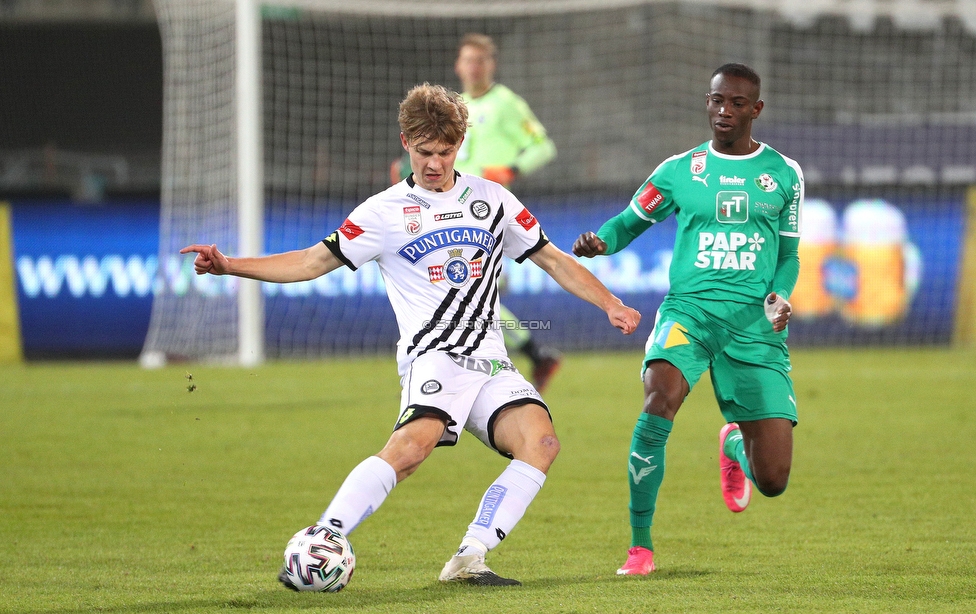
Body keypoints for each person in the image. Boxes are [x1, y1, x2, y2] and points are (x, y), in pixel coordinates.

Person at [183, 83, 641, 586]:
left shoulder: (493, 199)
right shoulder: (382, 212)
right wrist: (231, 266)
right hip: (435, 359)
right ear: (406, 143)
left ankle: (470, 559)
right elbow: (312, 262)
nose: (434, 163)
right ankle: (326, 535)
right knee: (411, 450)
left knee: (542, 443)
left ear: (459, 146)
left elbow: (553, 259)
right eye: (424, 152)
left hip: (489, 362)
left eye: (445, 152)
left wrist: (610, 303)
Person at [573, 63, 803, 576]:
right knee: (660, 398)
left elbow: (788, 255)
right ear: (707, 101)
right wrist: (601, 242)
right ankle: (640, 546)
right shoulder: (680, 170)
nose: (725, 111)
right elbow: (630, 221)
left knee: (774, 480)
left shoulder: (784, 175)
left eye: (737, 103)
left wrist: (779, 297)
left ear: (756, 109)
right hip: (688, 313)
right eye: (717, 100)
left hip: (752, 326)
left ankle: (737, 443)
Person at [391, 33, 562, 392]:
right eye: (468, 60)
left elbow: (543, 145)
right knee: (471, 294)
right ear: (458, 66)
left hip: (489, 212)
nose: (473, 67)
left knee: (467, 292)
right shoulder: (455, 108)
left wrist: (513, 169)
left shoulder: (506, 103)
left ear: (490, 65)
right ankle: (531, 354)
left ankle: (506, 363)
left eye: (480, 61)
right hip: (451, 210)